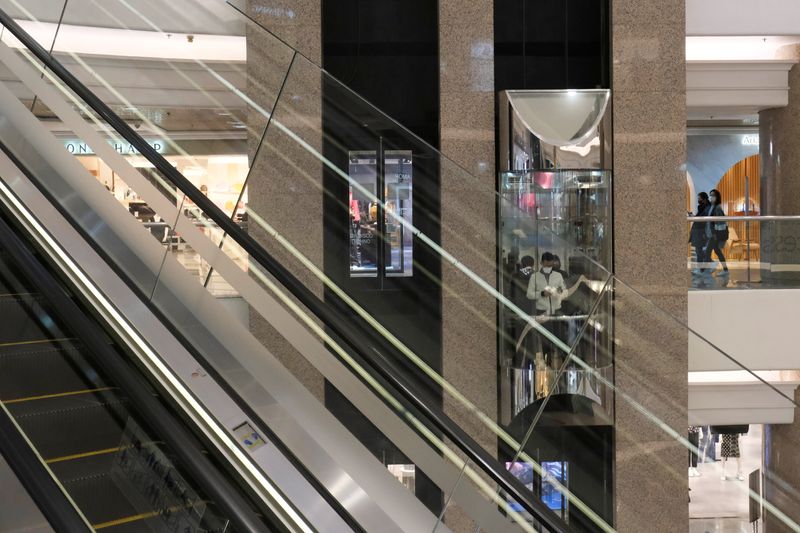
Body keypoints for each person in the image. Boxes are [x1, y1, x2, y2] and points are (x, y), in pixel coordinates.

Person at [689, 192, 712, 273]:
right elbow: (699, 217)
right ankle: (702, 268)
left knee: (699, 251)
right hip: (697, 232)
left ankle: (705, 266)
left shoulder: (708, 207)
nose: (698, 200)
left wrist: (694, 217)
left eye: (699, 198)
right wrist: (693, 216)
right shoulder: (702, 207)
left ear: (704, 199)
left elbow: (702, 219)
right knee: (698, 251)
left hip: (701, 232)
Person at [708, 188, 729, 273]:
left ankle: (708, 268)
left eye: (713, 195)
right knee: (716, 251)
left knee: (708, 251)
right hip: (713, 233)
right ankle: (725, 269)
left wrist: (715, 234)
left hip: (715, 234)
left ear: (717, 197)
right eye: (710, 195)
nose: (711, 197)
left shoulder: (717, 208)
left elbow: (720, 223)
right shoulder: (712, 207)